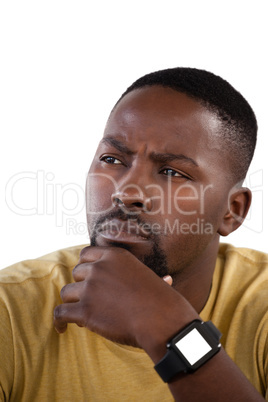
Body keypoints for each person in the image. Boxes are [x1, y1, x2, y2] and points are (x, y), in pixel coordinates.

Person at [1, 67, 267, 401]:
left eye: (171, 171)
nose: (125, 193)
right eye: (112, 159)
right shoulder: (9, 309)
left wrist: (169, 329)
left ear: (232, 211)